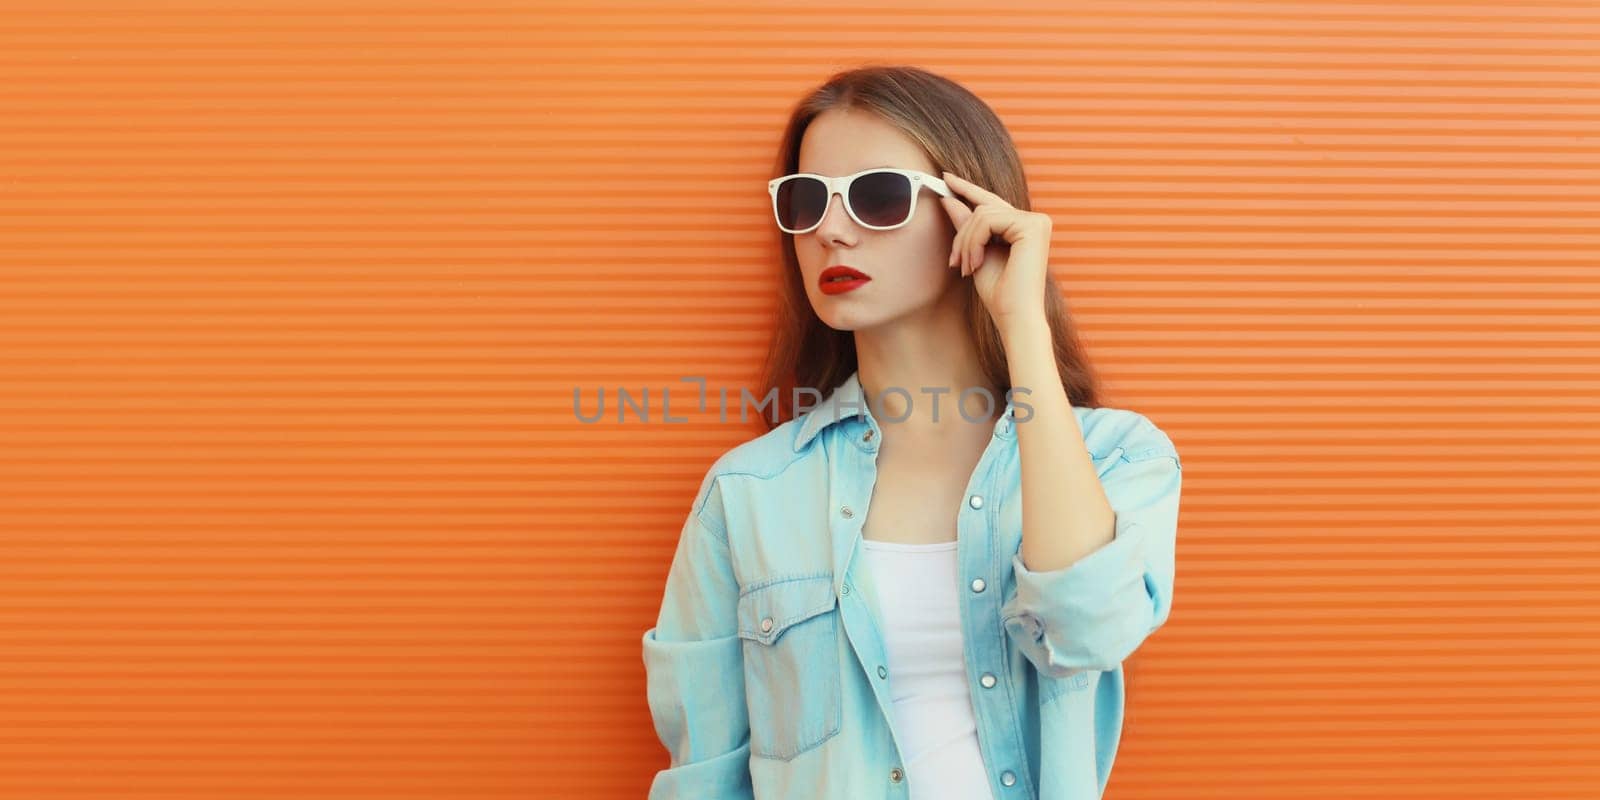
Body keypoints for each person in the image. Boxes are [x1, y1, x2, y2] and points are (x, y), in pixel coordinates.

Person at [640, 64, 1183, 800]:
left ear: (971, 210)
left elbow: (1086, 628)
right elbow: (704, 777)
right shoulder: (747, 495)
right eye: (806, 201)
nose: (831, 230)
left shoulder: (1118, 456)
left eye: (878, 197)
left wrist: (1020, 319)